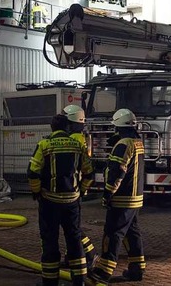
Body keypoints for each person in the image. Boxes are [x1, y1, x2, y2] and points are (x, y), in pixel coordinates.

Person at [28, 113, 94, 286]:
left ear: (52, 128)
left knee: (50, 241)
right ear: (68, 128)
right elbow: (89, 172)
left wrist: (36, 192)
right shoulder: (77, 145)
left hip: (49, 202)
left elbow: (33, 172)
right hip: (72, 202)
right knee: (74, 239)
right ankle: (79, 280)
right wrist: (82, 190)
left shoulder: (44, 145)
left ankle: (50, 282)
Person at [87, 109, 145, 285]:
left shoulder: (123, 144)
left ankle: (102, 272)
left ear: (117, 126)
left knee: (113, 234)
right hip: (135, 198)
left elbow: (117, 171)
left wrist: (108, 193)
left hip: (122, 198)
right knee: (132, 234)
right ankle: (136, 269)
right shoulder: (137, 142)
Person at [61, 105, 97, 270]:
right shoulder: (80, 137)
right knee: (71, 226)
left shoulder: (74, 139)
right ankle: (71, 256)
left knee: (72, 227)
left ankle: (89, 254)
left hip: (71, 188)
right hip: (77, 186)